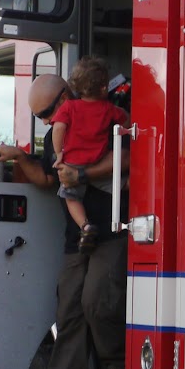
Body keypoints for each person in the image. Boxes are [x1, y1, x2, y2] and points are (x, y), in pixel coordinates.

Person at [0, 72, 127, 369]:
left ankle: (117, 365)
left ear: (67, 96)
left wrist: (82, 176)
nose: (45, 122)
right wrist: (19, 157)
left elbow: (127, 160)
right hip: (78, 237)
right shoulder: (57, 133)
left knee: (97, 299)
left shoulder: (107, 116)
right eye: (39, 117)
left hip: (113, 230)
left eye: (47, 113)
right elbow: (46, 178)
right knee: (68, 312)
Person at [49, 57, 130, 249]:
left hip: (73, 163)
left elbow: (58, 128)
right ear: (104, 88)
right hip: (98, 162)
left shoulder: (69, 107)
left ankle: (85, 226)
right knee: (121, 184)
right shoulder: (108, 109)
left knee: (70, 197)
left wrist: (59, 153)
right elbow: (127, 120)